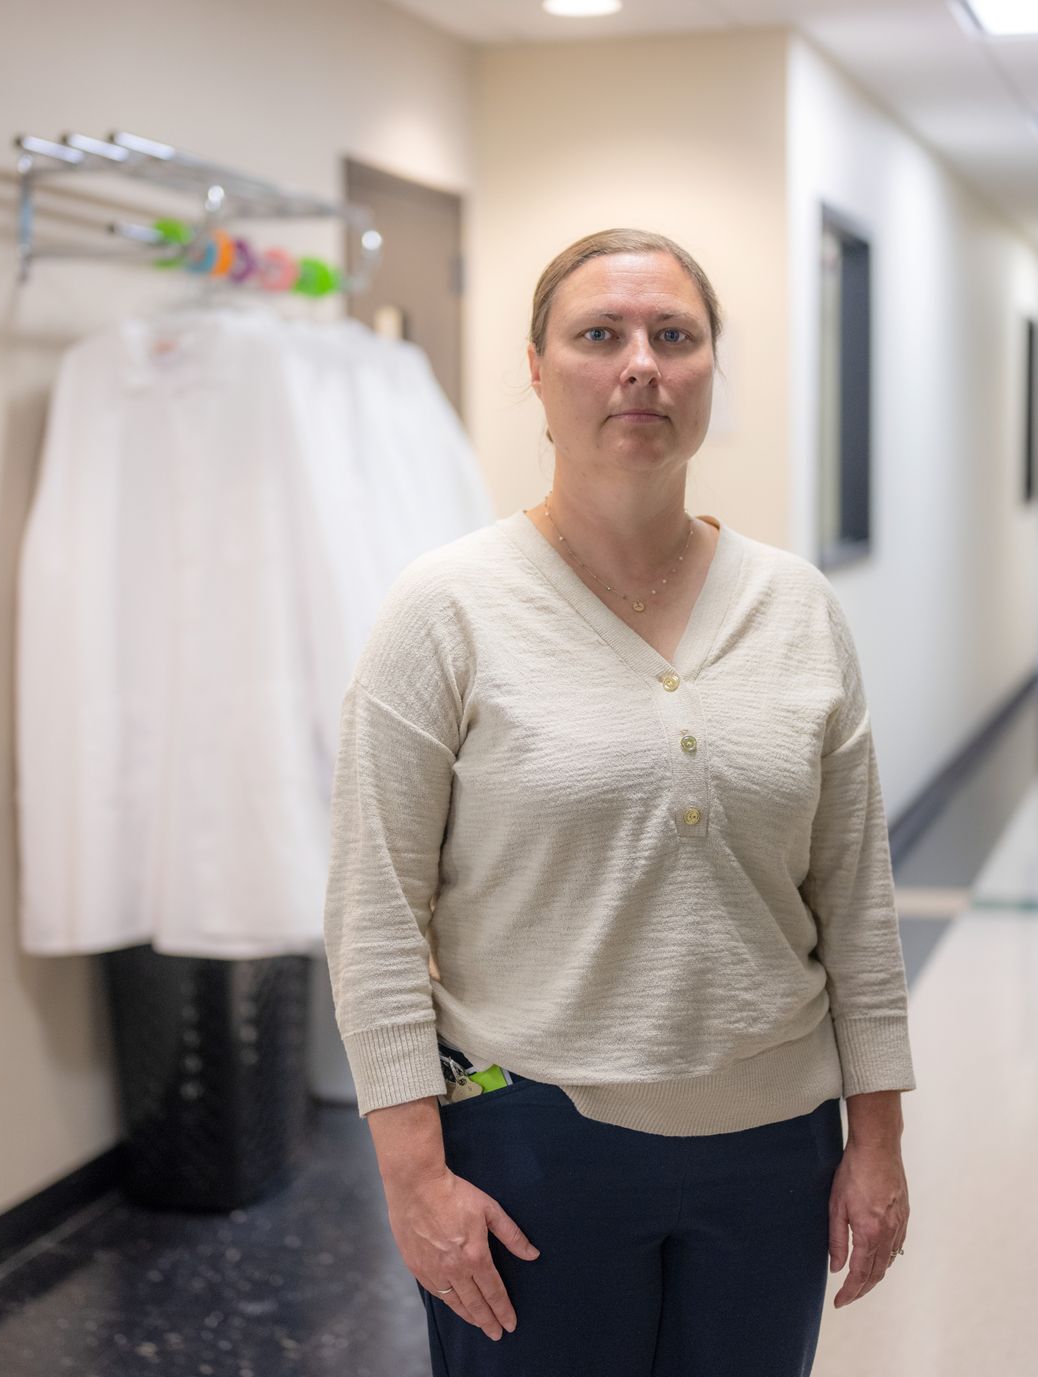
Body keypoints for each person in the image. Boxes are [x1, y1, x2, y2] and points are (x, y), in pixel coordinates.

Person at [323, 227, 915, 1377]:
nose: (640, 363)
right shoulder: (445, 610)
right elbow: (374, 913)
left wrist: (877, 1138)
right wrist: (415, 1178)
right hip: (530, 1143)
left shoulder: (797, 608)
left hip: (775, 1150)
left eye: (674, 337)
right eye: (600, 335)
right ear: (539, 374)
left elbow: (858, 900)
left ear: (708, 373)